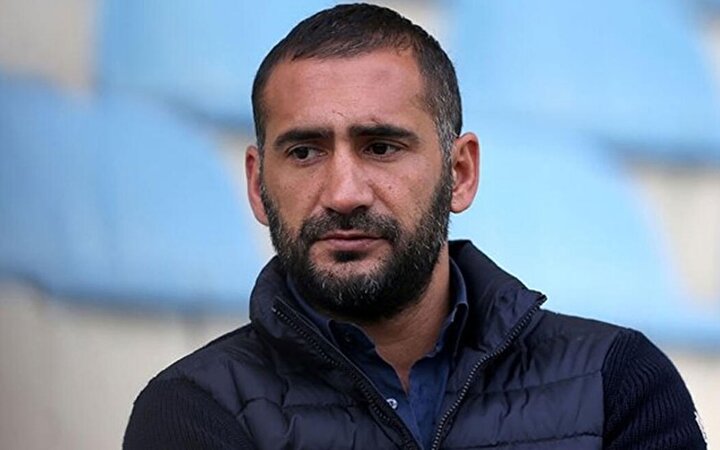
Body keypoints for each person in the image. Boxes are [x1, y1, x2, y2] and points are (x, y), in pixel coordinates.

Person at [123, 3, 707, 449]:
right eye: (304, 152)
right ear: (257, 184)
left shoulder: (614, 383)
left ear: (460, 173)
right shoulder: (195, 412)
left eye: (381, 147)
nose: (344, 193)